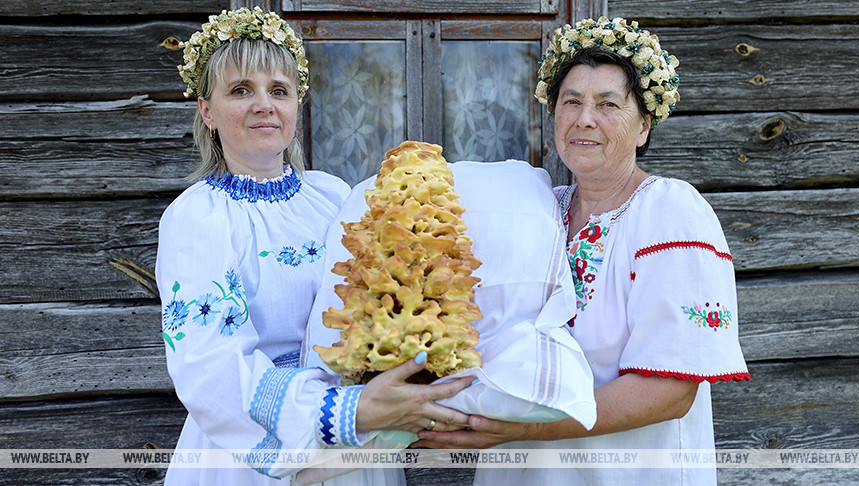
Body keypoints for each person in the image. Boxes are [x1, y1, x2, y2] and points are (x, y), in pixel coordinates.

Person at [415, 17, 750, 485]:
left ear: (643, 127)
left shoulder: (669, 212)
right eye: (571, 101)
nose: (584, 118)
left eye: (608, 104)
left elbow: (672, 390)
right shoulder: (535, 210)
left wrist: (524, 427)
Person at [156, 8, 471, 485]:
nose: (264, 104)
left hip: (357, 443)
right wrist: (344, 411)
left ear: (297, 106)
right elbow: (208, 363)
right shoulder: (197, 217)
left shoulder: (332, 196)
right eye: (241, 90)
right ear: (207, 110)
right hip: (252, 454)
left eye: (278, 91)